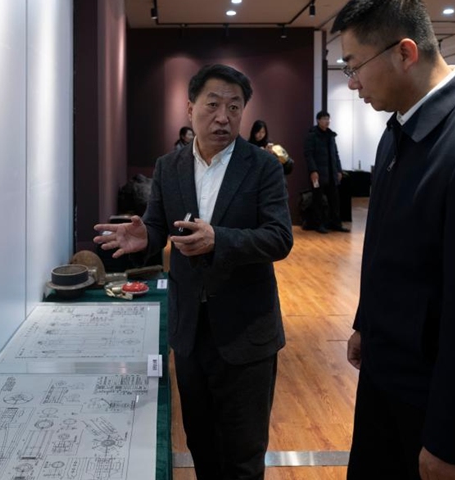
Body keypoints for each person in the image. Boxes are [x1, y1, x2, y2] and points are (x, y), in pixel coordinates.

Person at [332, 1, 455, 479]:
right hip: (388, 375)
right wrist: (366, 324)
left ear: (405, 52)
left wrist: (449, 443)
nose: (352, 82)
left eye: (355, 66)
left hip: (436, 407)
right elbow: (386, 246)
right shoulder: (400, 128)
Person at [94, 64, 293, 480]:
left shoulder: (262, 167)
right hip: (190, 332)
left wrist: (219, 239)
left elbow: (279, 238)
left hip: (247, 334)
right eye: (213, 105)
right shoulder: (169, 166)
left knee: (243, 453)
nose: (224, 117)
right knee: (202, 445)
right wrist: (143, 236)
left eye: (234, 107)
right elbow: (157, 224)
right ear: (190, 109)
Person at [303, 111, 348, 233]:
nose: (327, 121)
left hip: (331, 173)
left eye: (328, 118)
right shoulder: (312, 135)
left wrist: (339, 170)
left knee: (335, 200)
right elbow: (308, 154)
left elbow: (336, 154)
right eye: (324, 119)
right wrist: (313, 170)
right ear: (318, 120)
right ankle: (319, 224)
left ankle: (336, 223)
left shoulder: (331, 136)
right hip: (318, 174)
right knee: (318, 200)